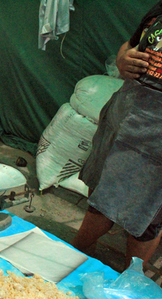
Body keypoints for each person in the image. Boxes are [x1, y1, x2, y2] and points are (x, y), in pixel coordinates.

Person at [71, 1, 162, 271]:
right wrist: (124, 57)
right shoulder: (159, 11)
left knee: (146, 217)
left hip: (156, 135)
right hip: (125, 110)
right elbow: (131, 44)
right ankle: (81, 253)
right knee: (99, 191)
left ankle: (129, 278)